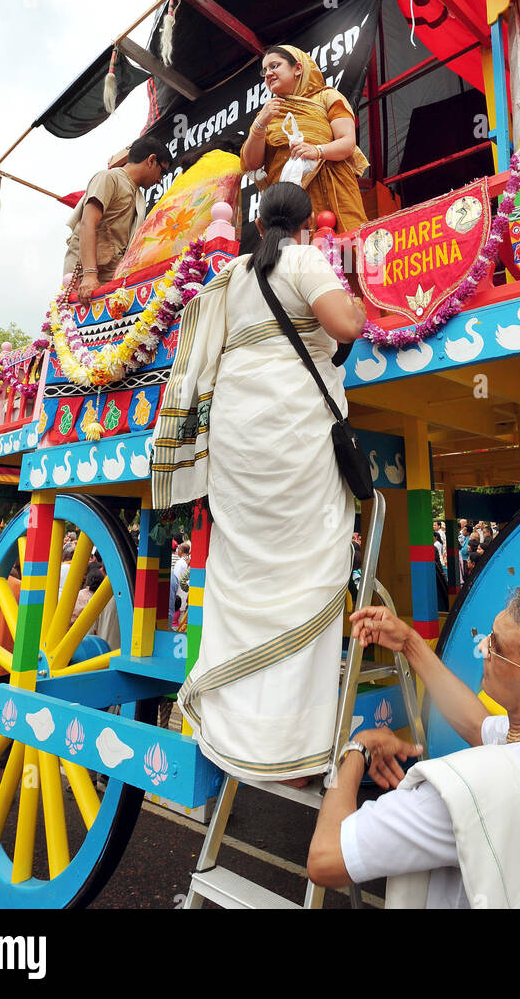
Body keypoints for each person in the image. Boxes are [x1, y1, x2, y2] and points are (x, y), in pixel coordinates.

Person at [153, 182, 367, 783]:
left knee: (244, 567)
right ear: (303, 226)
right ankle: (294, 750)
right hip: (290, 428)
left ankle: (235, 734)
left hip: (238, 432)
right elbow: (344, 325)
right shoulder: (303, 257)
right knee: (309, 572)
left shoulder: (235, 274)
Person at [307, 584, 520, 908]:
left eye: (497, 647)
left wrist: (355, 752)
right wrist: (410, 644)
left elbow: (326, 858)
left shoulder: (468, 794)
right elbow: (477, 725)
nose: (483, 647)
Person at [239, 46, 368, 231]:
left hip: (333, 193)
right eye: (264, 70)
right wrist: (259, 125)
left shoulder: (326, 97)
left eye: (274, 66)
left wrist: (317, 151)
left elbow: (347, 142)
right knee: (293, 256)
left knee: (347, 252)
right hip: (288, 204)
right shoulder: (267, 113)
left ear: (298, 68)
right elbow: (251, 164)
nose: (268, 73)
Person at [62, 134, 172, 303]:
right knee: (74, 328)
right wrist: (90, 275)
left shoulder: (137, 195)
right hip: (85, 279)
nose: (159, 180)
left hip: (110, 279)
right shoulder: (110, 178)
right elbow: (87, 223)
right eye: (162, 172)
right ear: (151, 160)